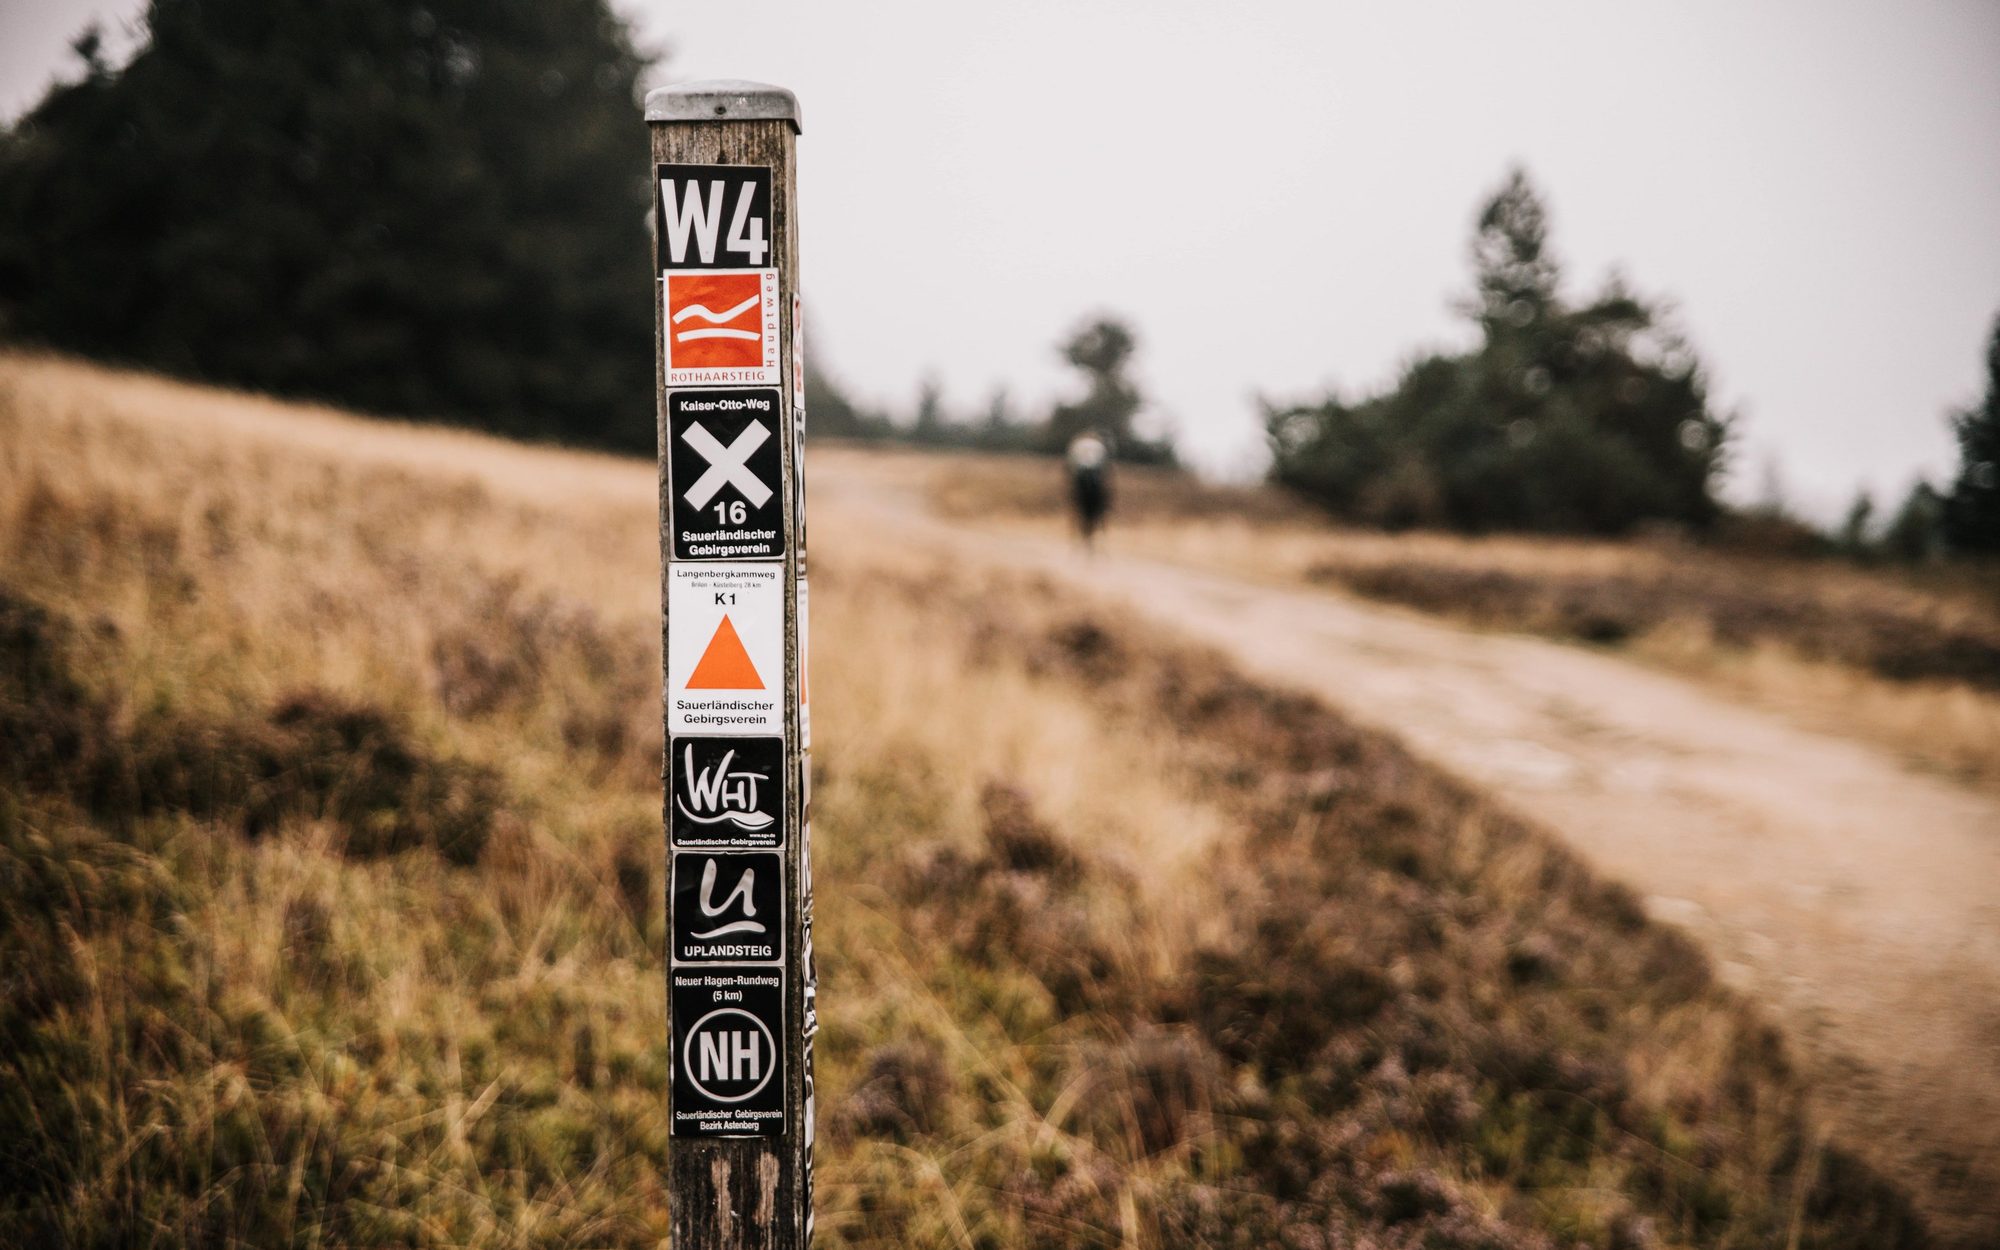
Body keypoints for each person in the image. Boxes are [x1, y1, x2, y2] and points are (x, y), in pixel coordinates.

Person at [1066, 431, 1111, 549]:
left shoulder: (1077, 444)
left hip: (1081, 476)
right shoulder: (1099, 445)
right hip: (1096, 475)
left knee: (1076, 500)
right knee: (1103, 496)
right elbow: (1103, 465)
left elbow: (1072, 463)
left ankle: (1079, 536)